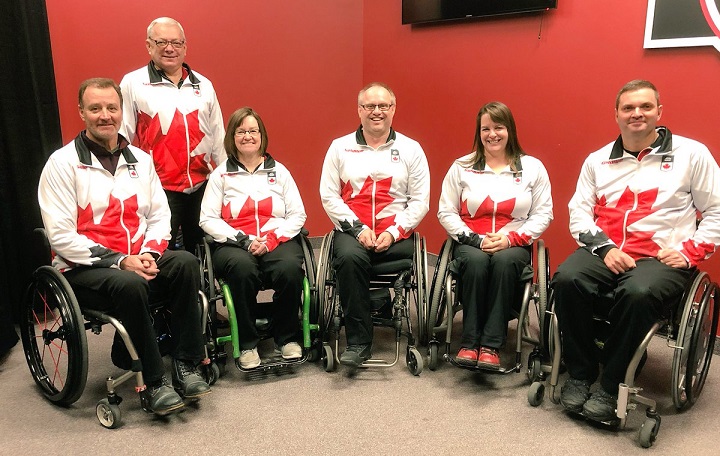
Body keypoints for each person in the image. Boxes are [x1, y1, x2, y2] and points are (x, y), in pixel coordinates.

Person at [38, 78, 211, 417]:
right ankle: (155, 382)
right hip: (85, 271)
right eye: (96, 108)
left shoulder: (141, 161)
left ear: (121, 112)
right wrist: (121, 261)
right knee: (129, 283)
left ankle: (187, 365)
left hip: (137, 261)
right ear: (82, 113)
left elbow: (160, 216)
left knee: (187, 263)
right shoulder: (61, 164)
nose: (105, 115)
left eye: (112, 108)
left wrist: (149, 254)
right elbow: (60, 235)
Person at [553, 80, 720, 422]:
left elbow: (717, 210)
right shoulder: (598, 160)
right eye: (628, 108)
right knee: (566, 278)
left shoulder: (692, 154)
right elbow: (579, 211)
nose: (637, 114)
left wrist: (691, 252)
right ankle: (581, 373)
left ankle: (613, 384)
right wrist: (604, 248)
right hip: (608, 249)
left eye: (645, 106)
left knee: (638, 292)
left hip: (661, 257)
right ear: (616, 114)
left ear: (659, 111)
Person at [319, 82, 430, 367]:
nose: (376, 111)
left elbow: (420, 201)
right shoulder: (339, 147)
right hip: (352, 232)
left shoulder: (411, 149)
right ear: (359, 110)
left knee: (365, 261)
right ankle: (358, 343)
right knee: (349, 258)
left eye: (383, 106)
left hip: (396, 235)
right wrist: (357, 229)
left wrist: (393, 233)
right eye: (370, 106)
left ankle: (376, 298)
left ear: (393, 109)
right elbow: (329, 195)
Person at [437, 101, 553, 369]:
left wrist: (511, 239)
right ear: (478, 133)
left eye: (498, 127)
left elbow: (544, 213)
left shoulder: (532, 168)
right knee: (476, 263)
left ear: (509, 129)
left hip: (513, 241)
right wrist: (475, 239)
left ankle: (491, 344)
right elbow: (446, 212)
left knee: (503, 263)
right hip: (470, 239)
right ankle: (469, 342)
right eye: (485, 129)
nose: (492, 134)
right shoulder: (462, 166)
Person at [199, 107, 307, 369]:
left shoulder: (279, 172)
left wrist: (271, 239)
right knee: (243, 269)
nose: (248, 136)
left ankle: (287, 339)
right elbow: (207, 219)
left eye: (253, 131)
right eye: (241, 131)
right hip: (234, 245)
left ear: (262, 135)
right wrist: (244, 240)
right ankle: (247, 343)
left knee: (290, 269)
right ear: (232, 137)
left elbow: (298, 215)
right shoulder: (220, 175)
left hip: (275, 241)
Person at [120, 17, 225, 253]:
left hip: (202, 185)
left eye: (177, 43)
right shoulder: (133, 83)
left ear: (185, 47)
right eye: (162, 42)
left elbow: (218, 135)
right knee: (164, 254)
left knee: (207, 251)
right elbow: (122, 137)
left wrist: (225, 179)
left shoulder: (204, 85)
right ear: (149, 45)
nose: (170, 49)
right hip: (160, 186)